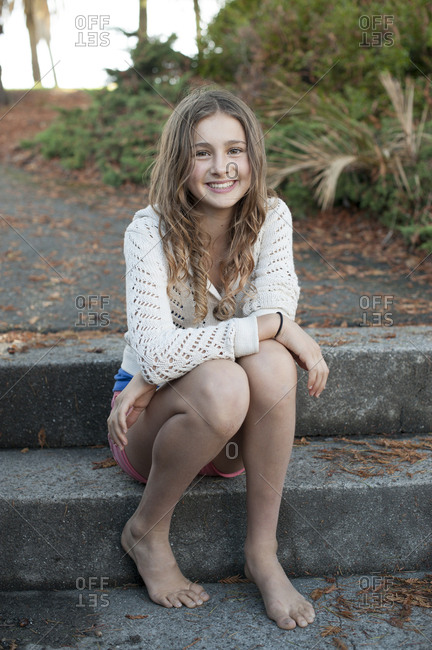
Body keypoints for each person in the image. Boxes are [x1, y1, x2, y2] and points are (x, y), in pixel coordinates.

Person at [107, 87, 329, 631]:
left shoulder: (272, 218)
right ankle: (146, 532)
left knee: (272, 364)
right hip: (152, 427)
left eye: (235, 150)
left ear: (253, 154)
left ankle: (262, 553)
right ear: (180, 160)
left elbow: (267, 322)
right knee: (236, 374)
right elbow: (157, 350)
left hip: (233, 441)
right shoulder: (148, 230)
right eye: (202, 152)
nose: (222, 167)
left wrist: (163, 370)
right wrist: (275, 326)